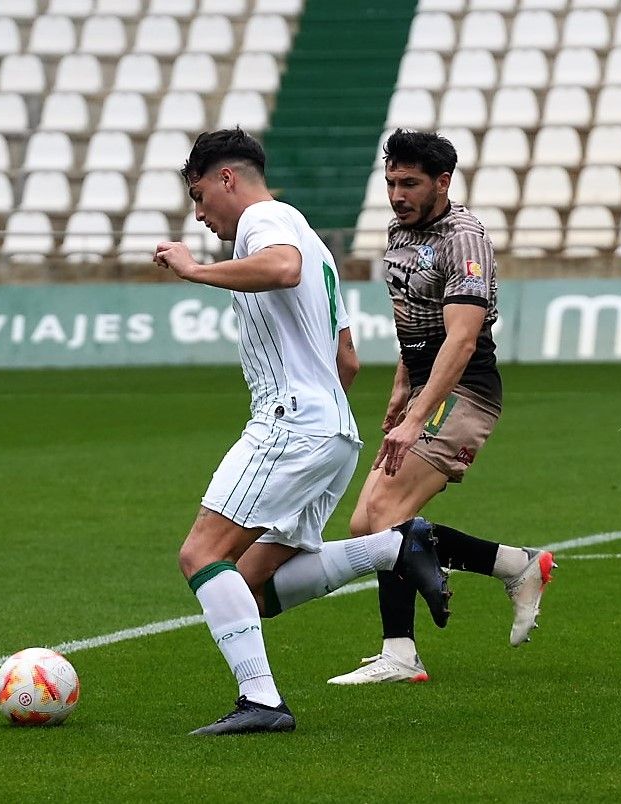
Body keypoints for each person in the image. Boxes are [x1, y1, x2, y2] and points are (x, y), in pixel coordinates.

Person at [154, 128, 450, 736]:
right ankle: (397, 546)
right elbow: (348, 361)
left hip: (290, 423)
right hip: (331, 432)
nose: (199, 212)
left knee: (202, 555)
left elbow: (282, 271)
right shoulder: (314, 241)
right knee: (253, 586)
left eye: (199, 194)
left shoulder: (266, 221)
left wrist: (196, 270)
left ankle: (261, 702)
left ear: (226, 179)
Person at [326, 129, 557, 686]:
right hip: (429, 387)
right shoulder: (398, 232)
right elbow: (416, 323)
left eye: (410, 183)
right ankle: (515, 564)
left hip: (464, 389)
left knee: (384, 519)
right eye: (390, 182)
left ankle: (401, 656)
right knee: (367, 525)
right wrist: (402, 385)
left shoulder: (464, 239)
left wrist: (413, 418)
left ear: (443, 182)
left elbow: (460, 340)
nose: (397, 194)